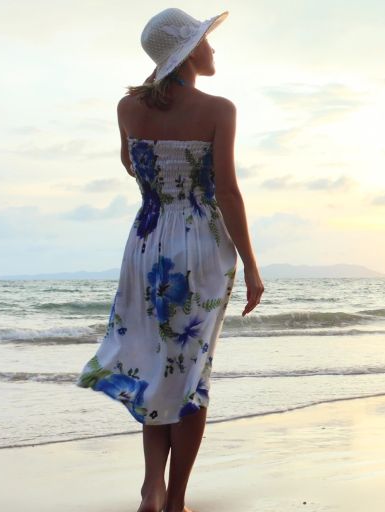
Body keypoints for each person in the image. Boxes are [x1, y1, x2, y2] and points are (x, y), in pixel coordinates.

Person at [75, 7, 264, 512]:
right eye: (205, 40)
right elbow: (226, 190)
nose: (213, 48)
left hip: (145, 240)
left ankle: (151, 486)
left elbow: (128, 164)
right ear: (187, 53)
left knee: (159, 365)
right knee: (190, 372)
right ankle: (176, 499)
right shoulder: (220, 108)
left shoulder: (127, 107)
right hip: (199, 245)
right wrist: (250, 263)